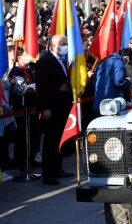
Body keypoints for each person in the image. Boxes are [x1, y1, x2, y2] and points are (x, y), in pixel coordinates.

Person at [35, 34, 74, 185]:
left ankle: (58, 167)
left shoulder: (62, 61)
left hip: (63, 105)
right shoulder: (46, 60)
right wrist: (45, 108)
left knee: (60, 139)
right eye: (62, 43)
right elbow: (42, 86)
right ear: (53, 45)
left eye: (66, 43)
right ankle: (48, 173)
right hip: (51, 107)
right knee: (51, 140)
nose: (65, 46)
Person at [8, 48, 39, 172]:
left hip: (32, 106)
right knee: (22, 136)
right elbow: (21, 90)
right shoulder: (16, 71)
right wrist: (38, 86)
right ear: (19, 57)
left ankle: (30, 158)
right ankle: (21, 161)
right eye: (26, 55)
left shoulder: (29, 69)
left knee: (32, 135)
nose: (29, 58)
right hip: (22, 108)